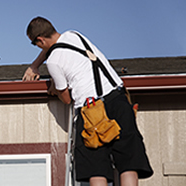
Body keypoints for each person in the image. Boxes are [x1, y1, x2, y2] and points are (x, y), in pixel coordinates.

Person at [23, 16, 153, 186]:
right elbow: (53, 46)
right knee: (128, 163)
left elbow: (67, 98)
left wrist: (55, 87)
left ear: (39, 40)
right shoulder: (75, 35)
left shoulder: (54, 61)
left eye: (34, 44)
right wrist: (35, 64)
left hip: (92, 110)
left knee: (96, 168)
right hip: (119, 99)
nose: (37, 47)